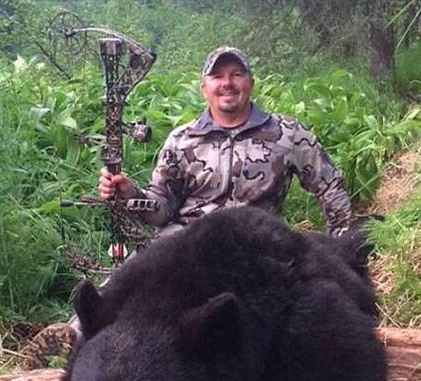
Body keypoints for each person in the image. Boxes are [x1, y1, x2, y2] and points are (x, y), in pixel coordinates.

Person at [98, 46, 353, 238]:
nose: (227, 83)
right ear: (204, 88)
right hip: (189, 246)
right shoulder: (181, 140)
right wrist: (131, 194)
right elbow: (162, 209)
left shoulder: (287, 132)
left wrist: (341, 242)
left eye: (236, 74)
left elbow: (330, 185)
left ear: (250, 83)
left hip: (259, 245)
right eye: (217, 76)